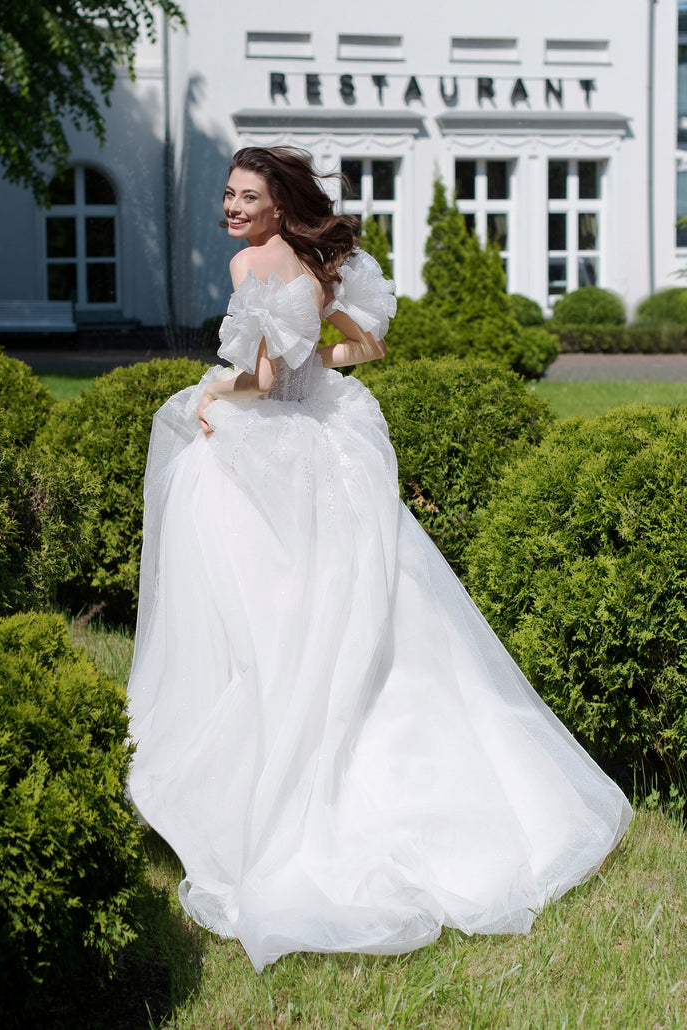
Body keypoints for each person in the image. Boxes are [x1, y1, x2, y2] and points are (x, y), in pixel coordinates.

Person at [126, 146, 632, 973]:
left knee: (254, 590)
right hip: (323, 441)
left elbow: (258, 373)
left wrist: (215, 391)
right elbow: (364, 349)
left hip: (276, 444)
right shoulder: (320, 265)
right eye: (227, 194)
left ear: (279, 207)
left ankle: (241, 775)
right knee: (359, 601)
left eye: (246, 196)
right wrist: (305, 366)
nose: (230, 207)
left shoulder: (256, 262)